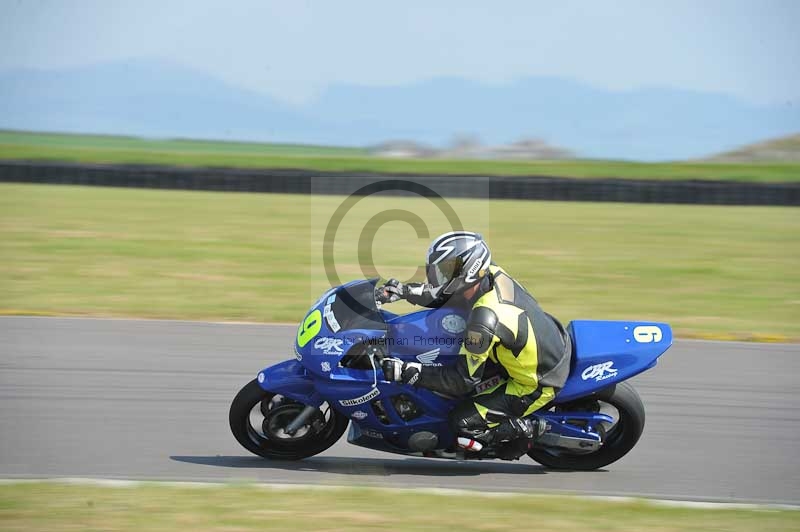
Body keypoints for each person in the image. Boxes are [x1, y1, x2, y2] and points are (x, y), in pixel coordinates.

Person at [378, 231, 572, 460]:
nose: (439, 276)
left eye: (446, 269)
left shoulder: (483, 320)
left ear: (468, 271)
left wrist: (408, 372)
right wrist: (404, 291)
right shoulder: (489, 273)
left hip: (537, 381)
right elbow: (447, 294)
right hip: (537, 344)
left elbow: (461, 380)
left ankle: (527, 429)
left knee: (462, 423)